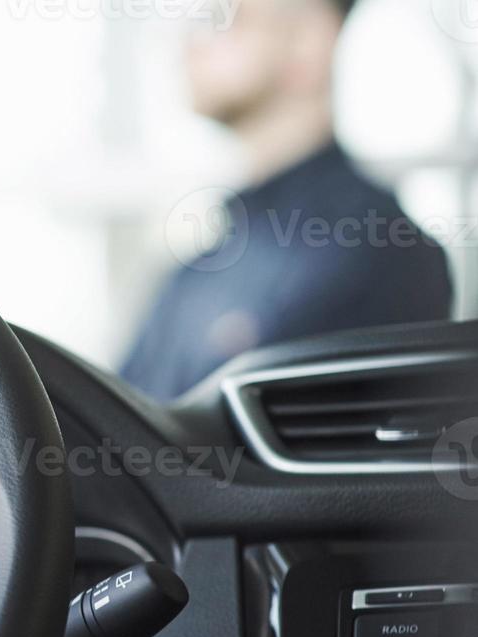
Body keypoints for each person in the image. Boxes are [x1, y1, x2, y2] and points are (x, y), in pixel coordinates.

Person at [121, 0, 453, 400]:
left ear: (306, 46)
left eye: (224, 20)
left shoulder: (381, 251)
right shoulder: (203, 266)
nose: (190, 44)